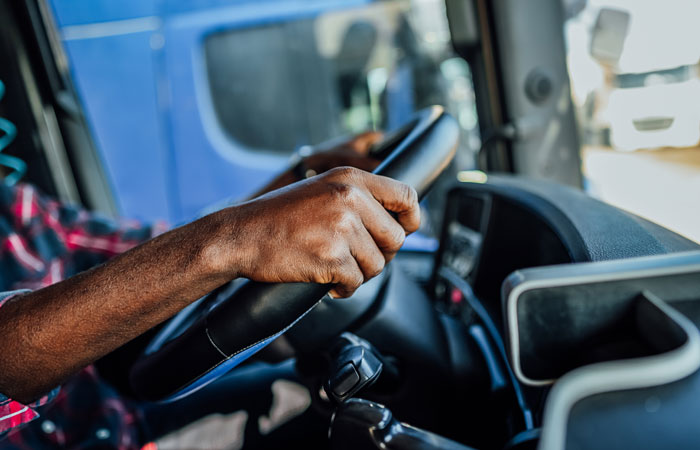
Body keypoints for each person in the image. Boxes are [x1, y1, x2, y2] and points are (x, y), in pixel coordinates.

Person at [0, 132, 420, 448]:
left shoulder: (16, 209)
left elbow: (149, 252)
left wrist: (300, 177)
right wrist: (233, 241)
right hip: (103, 434)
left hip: (117, 410)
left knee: (309, 391)